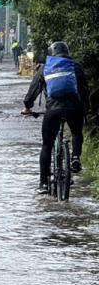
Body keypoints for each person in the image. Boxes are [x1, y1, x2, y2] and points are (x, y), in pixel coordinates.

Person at [21, 41, 92, 193]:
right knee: (76, 133)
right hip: (74, 108)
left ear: (51, 53)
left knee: (47, 145)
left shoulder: (45, 67)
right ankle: (75, 158)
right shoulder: (75, 66)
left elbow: (33, 91)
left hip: (53, 110)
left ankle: (43, 184)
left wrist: (27, 107)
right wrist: (85, 109)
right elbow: (84, 91)